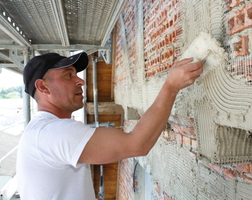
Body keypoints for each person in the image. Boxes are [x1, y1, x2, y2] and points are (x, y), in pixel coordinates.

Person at [16, 51, 203, 199]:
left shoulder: (41, 131)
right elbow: (137, 144)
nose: (80, 81)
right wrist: (171, 86)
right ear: (43, 87)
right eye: (68, 75)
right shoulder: (53, 132)